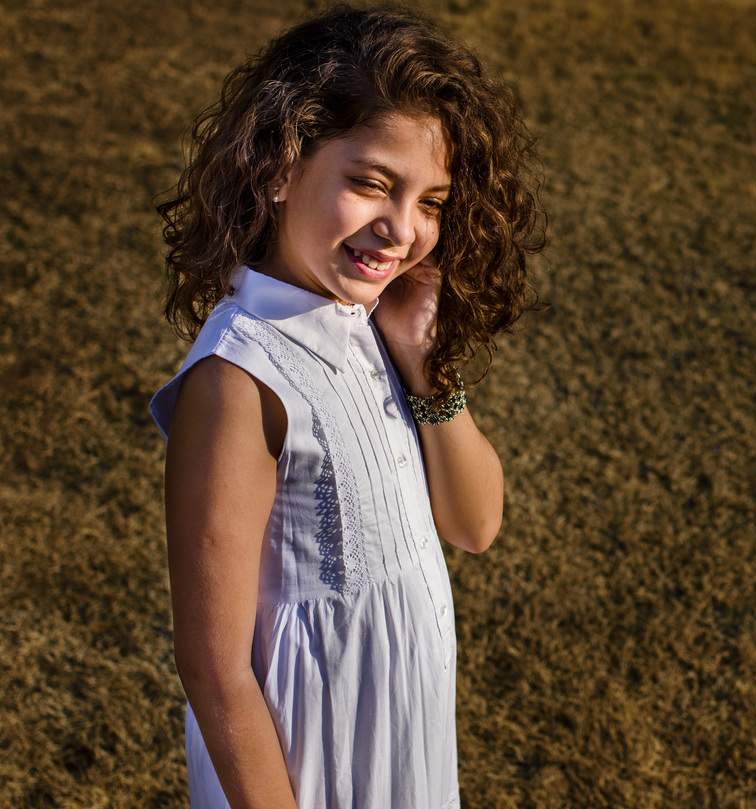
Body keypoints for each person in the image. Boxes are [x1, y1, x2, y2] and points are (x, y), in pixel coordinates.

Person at [150, 6, 544, 807]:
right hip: (307, 762)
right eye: (371, 183)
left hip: (402, 740)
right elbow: (214, 669)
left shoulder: (360, 319)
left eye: (431, 200)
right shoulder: (241, 378)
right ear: (280, 164)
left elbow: (475, 524)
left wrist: (426, 369)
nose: (402, 230)